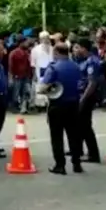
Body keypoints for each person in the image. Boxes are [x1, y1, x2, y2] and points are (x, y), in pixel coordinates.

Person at [36, 43, 84, 175]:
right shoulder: (75, 66)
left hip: (57, 105)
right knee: (73, 135)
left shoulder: (53, 68)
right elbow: (80, 85)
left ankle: (60, 165)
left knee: (57, 136)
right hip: (73, 104)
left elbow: (43, 87)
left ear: (56, 52)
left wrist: (42, 90)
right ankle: (77, 163)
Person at [71, 38, 103, 163]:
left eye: (77, 47)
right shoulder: (83, 60)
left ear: (84, 48)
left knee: (85, 126)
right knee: (79, 124)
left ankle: (93, 154)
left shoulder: (92, 62)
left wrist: (83, 99)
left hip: (87, 96)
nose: (75, 50)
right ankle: (77, 150)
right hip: (80, 95)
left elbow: (92, 83)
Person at [8, 38, 32, 114]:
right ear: (21, 43)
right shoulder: (14, 53)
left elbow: (29, 65)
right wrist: (11, 76)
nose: (27, 44)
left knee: (25, 92)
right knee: (16, 92)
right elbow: (11, 65)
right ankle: (15, 106)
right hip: (17, 76)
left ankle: (23, 107)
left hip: (25, 75)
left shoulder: (27, 52)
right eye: (25, 42)